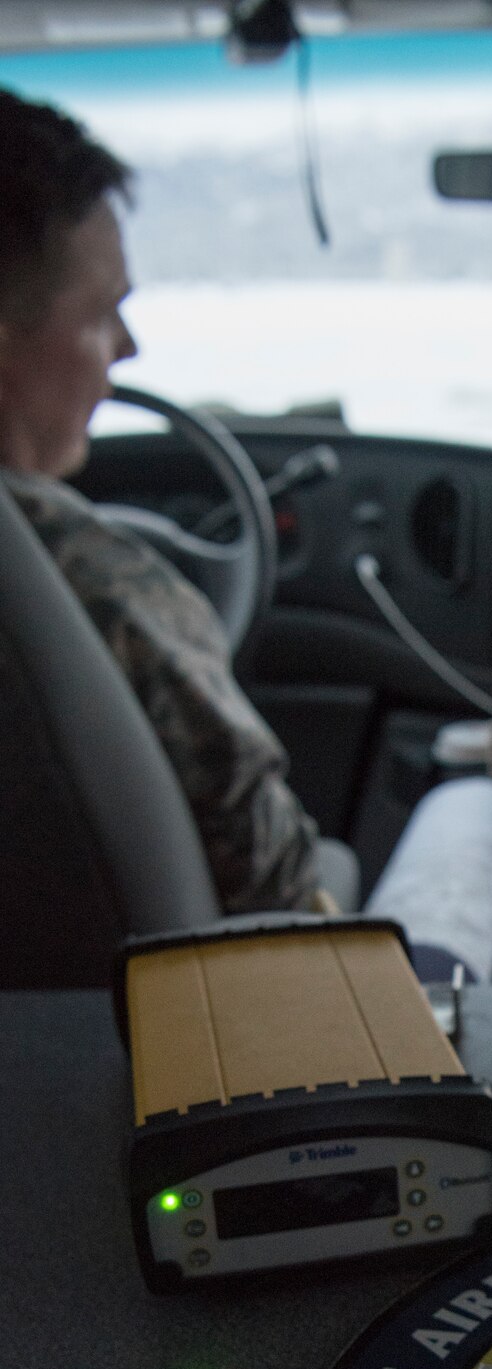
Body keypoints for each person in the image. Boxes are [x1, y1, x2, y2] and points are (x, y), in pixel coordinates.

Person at [0, 88, 321, 914]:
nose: (130, 348)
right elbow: (272, 875)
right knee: (470, 811)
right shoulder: (96, 579)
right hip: (190, 1011)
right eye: (105, 312)